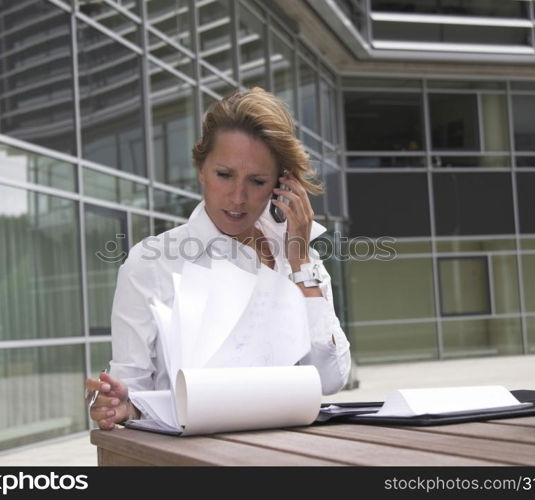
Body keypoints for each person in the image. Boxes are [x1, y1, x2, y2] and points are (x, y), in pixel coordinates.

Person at [85, 87, 351, 430]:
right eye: (224, 175)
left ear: (280, 185)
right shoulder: (151, 263)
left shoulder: (299, 260)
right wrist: (120, 404)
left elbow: (331, 379)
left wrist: (300, 261)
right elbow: (132, 390)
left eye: (257, 181)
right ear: (200, 169)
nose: (237, 197)